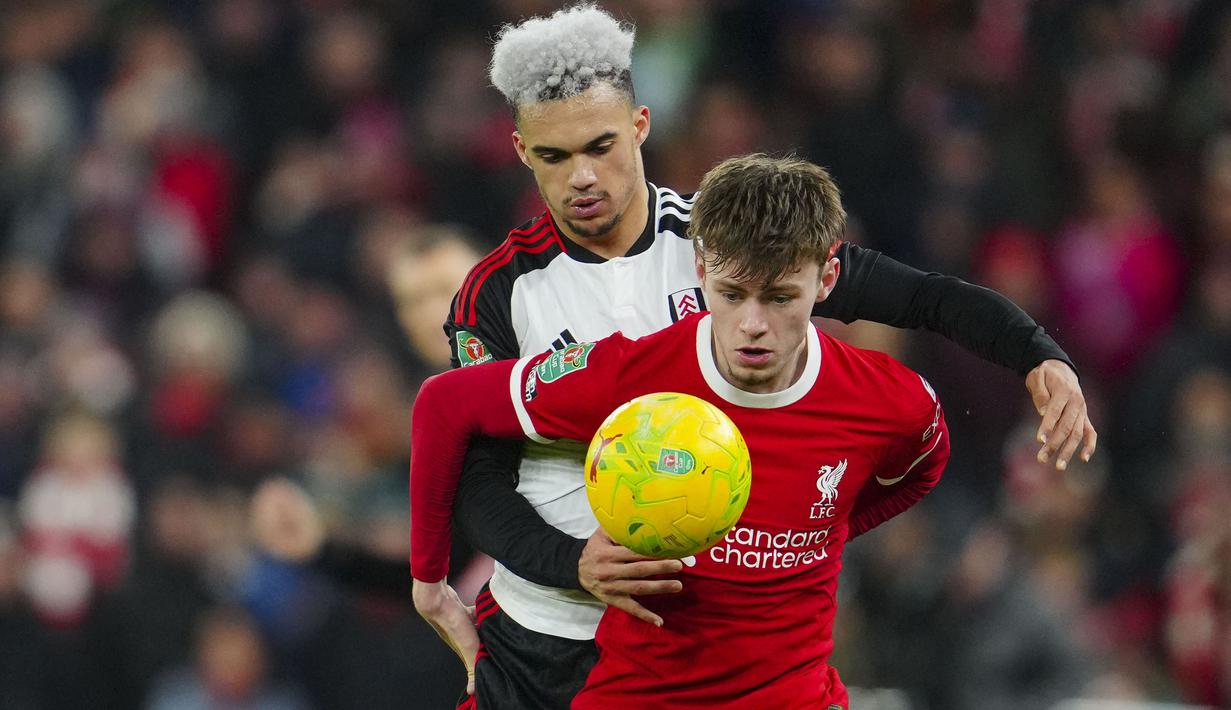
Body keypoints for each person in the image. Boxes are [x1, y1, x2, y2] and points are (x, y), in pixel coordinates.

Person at [409, 5, 1097, 708]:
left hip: (699, 633)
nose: (581, 177)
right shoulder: (497, 292)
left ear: (640, 126)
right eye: (554, 156)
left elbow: (921, 297)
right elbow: (477, 470)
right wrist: (570, 564)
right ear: (522, 150)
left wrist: (1034, 352)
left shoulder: (731, 243)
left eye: (600, 145)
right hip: (550, 628)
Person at [413, 153, 952, 707]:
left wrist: (822, 531)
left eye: (780, 298)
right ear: (700, 273)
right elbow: (444, 404)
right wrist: (428, 579)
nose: (753, 325)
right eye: (733, 295)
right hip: (582, 653)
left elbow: (923, 460)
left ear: (826, 282)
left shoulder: (888, 396)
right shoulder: (638, 372)